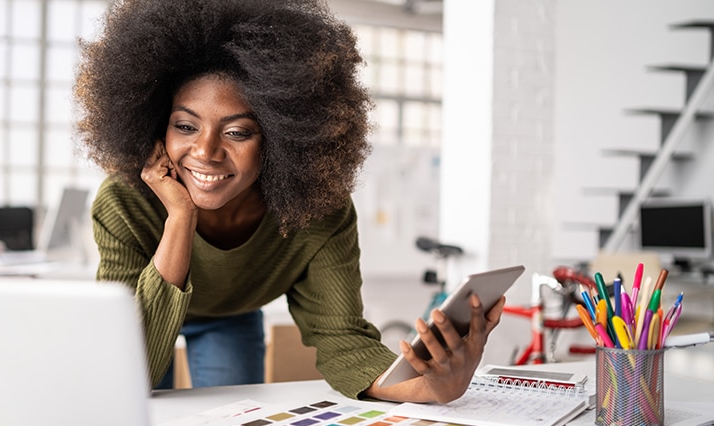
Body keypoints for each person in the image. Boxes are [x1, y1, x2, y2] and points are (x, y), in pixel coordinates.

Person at [73, 0, 506, 404]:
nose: (205, 151)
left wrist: (429, 387)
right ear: (155, 125)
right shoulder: (124, 202)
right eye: (185, 126)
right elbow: (127, 368)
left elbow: (342, 338)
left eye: (237, 132)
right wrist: (180, 218)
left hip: (233, 314)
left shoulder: (317, 211)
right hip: (144, 317)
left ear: (281, 141)